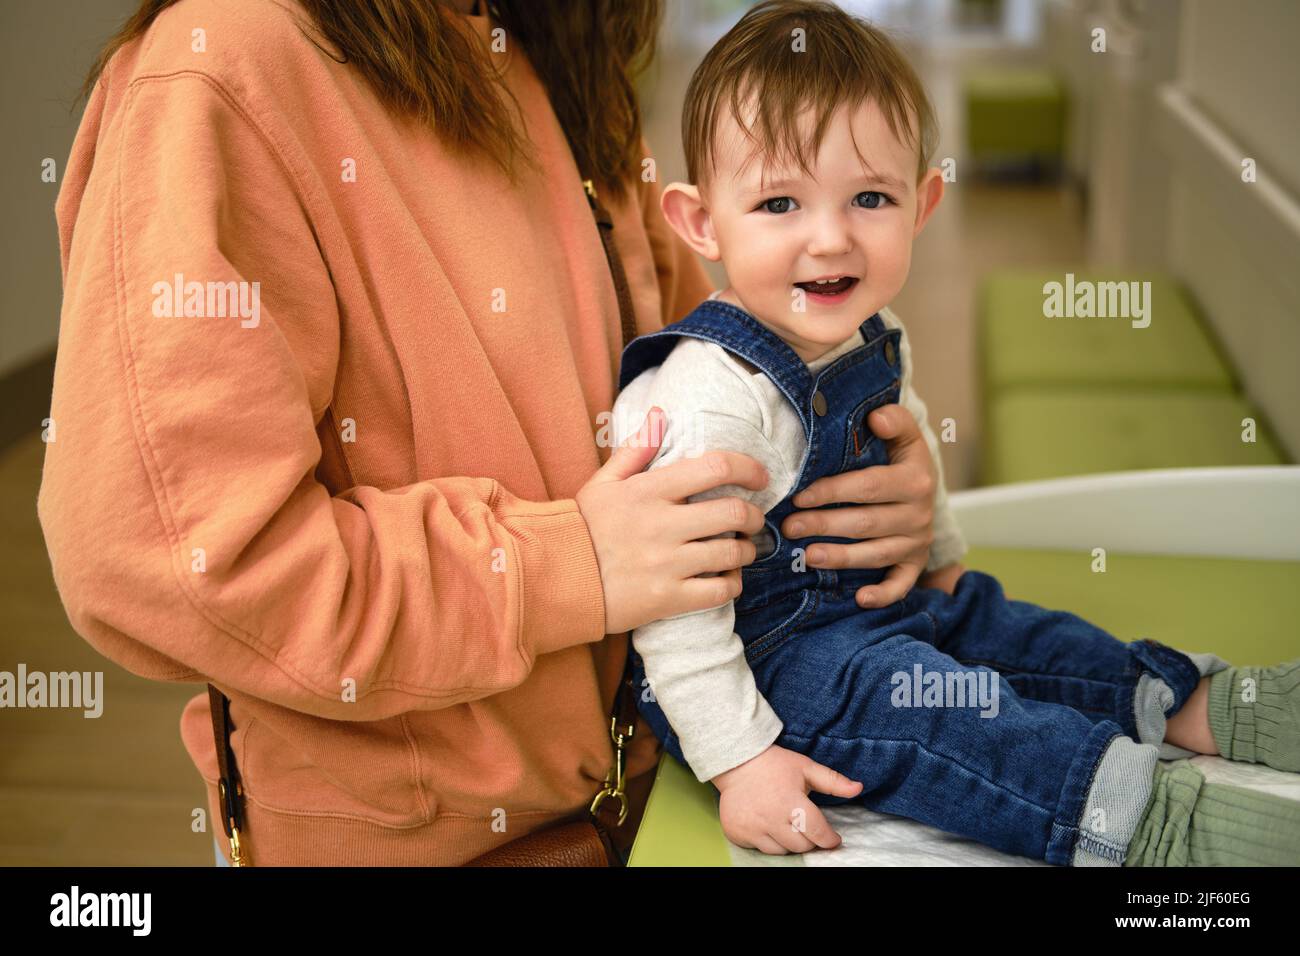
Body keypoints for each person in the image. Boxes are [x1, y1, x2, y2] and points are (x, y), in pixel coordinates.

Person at [38, 0, 951, 866]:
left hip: (679, 788)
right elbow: (176, 564)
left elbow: (719, 383)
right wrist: (564, 567)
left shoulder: (551, 47)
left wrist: (866, 481)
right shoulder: (216, 69)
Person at [612, 0, 1300, 865]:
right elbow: (677, 610)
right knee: (937, 714)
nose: (829, 239)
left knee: (1010, 631)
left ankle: (1204, 706)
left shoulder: (869, 327)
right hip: (772, 667)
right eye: (779, 203)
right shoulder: (713, 399)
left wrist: (939, 557)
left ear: (923, 202)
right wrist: (741, 760)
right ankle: (1150, 820)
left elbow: (906, 437)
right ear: (702, 222)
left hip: (880, 602)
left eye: (870, 197)